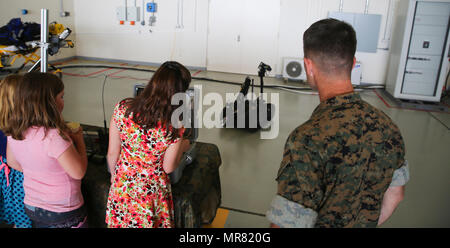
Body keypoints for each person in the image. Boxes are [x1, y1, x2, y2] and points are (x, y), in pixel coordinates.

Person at [266, 18, 410, 228]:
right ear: (353, 63)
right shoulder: (388, 126)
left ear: (308, 66)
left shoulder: (306, 139)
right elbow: (396, 195)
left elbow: (286, 224)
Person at [106, 61, 191, 228]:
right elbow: (168, 167)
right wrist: (184, 145)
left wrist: (115, 178)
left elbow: (112, 152)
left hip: (122, 188)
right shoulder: (174, 126)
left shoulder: (123, 108)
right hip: (151, 194)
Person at [5, 72, 88, 228]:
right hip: (62, 209)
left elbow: (12, 162)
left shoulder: (14, 131)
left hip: (32, 205)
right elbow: (78, 172)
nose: (63, 102)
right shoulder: (53, 136)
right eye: (61, 97)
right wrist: (79, 140)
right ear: (49, 102)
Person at [0, 74, 32, 228]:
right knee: (23, 215)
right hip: (18, 174)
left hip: (5, 171)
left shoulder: (4, 121)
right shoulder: (20, 126)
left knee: (14, 211)